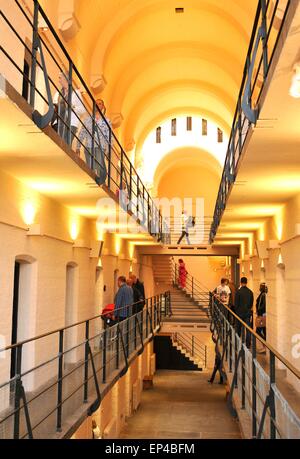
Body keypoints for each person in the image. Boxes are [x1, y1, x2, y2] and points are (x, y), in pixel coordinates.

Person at [76, 99, 110, 183]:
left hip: (100, 146)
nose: (98, 105)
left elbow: (109, 136)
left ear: (103, 106)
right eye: (96, 104)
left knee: (99, 167)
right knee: (90, 168)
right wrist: (78, 147)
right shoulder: (88, 119)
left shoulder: (106, 121)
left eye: (100, 104)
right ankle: (94, 182)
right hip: (88, 146)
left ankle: (101, 181)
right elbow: (82, 133)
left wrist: (108, 150)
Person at [52, 72, 85, 145]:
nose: (59, 80)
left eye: (60, 78)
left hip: (70, 124)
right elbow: (54, 106)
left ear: (66, 79)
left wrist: (72, 106)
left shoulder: (76, 93)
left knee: (65, 145)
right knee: (56, 144)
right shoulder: (58, 93)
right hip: (58, 122)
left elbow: (83, 110)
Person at [234, 277, 254, 348]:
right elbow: (251, 304)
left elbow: (236, 304)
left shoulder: (238, 292)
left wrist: (237, 311)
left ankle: (237, 342)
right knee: (248, 329)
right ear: (246, 282)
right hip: (247, 313)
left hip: (239, 313)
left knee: (238, 328)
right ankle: (248, 344)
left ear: (240, 282)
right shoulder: (250, 292)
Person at [256, 283, 268, 353]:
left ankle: (265, 345)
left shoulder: (263, 295)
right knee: (263, 331)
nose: (259, 288)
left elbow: (263, 305)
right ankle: (264, 347)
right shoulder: (262, 294)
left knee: (258, 331)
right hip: (262, 315)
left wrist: (258, 311)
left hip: (263, 315)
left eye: (260, 287)